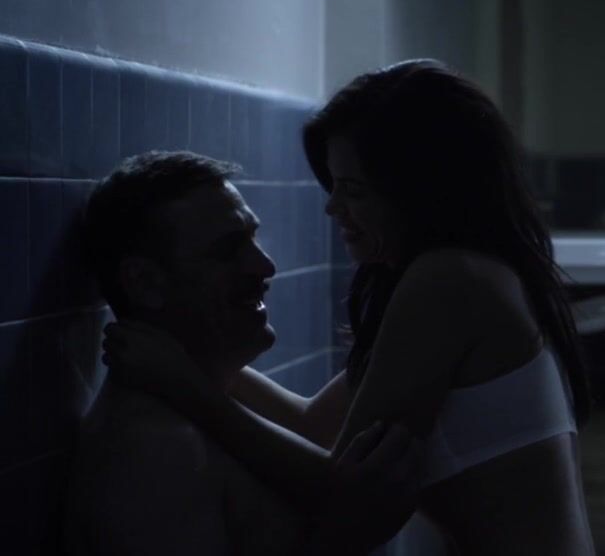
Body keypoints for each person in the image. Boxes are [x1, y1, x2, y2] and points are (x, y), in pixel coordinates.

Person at [105, 60, 597, 554]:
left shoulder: (451, 280)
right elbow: (314, 425)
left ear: (420, 191)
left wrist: (185, 386)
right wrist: (186, 356)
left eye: (353, 190)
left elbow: (339, 490)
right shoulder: (474, 273)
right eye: (334, 185)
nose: (332, 206)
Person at [67, 151, 424, 556]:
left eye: (252, 239)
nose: (266, 267)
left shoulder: (201, 409)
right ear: (146, 283)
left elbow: (316, 429)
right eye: (227, 250)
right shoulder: (154, 451)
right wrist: (349, 535)